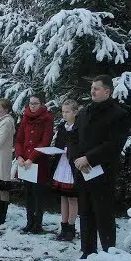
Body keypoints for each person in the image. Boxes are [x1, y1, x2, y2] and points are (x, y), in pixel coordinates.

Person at [73, 75, 131, 259]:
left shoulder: (119, 115)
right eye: (92, 88)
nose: (92, 91)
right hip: (82, 171)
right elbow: (73, 138)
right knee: (85, 212)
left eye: (96, 88)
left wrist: (89, 158)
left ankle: (109, 252)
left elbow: (114, 144)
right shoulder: (83, 112)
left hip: (103, 171)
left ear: (107, 91)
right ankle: (87, 251)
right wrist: (76, 159)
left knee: (103, 213)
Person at [14, 93, 54, 233]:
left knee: (38, 193)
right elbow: (19, 139)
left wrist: (32, 157)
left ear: (41, 104)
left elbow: (45, 141)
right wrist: (19, 156)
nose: (32, 106)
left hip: (38, 161)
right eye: (30, 103)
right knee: (28, 193)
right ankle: (29, 221)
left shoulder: (47, 119)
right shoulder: (25, 117)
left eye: (35, 103)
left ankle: (38, 223)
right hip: (25, 162)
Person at [49, 99, 80, 241]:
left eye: (67, 112)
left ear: (75, 112)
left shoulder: (79, 127)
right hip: (62, 163)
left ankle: (71, 228)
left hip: (72, 165)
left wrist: (70, 151)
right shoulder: (62, 127)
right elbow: (59, 143)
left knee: (72, 198)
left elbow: (81, 145)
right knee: (63, 197)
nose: (64, 114)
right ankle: (64, 227)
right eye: (63, 112)